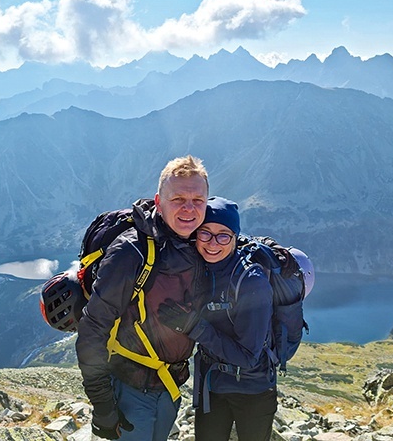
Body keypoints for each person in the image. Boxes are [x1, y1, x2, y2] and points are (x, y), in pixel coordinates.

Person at [76, 155, 209, 441]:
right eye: (178, 199)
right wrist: (103, 407)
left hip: (169, 389)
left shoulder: (200, 245)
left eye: (198, 200)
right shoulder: (131, 253)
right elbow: (92, 329)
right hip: (130, 392)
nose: (189, 208)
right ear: (159, 201)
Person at [158, 197, 277, 441]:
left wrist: (194, 327)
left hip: (253, 390)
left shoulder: (251, 282)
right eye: (205, 234)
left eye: (223, 235)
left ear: (235, 238)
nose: (213, 244)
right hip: (212, 386)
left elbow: (247, 357)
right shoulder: (196, 270)